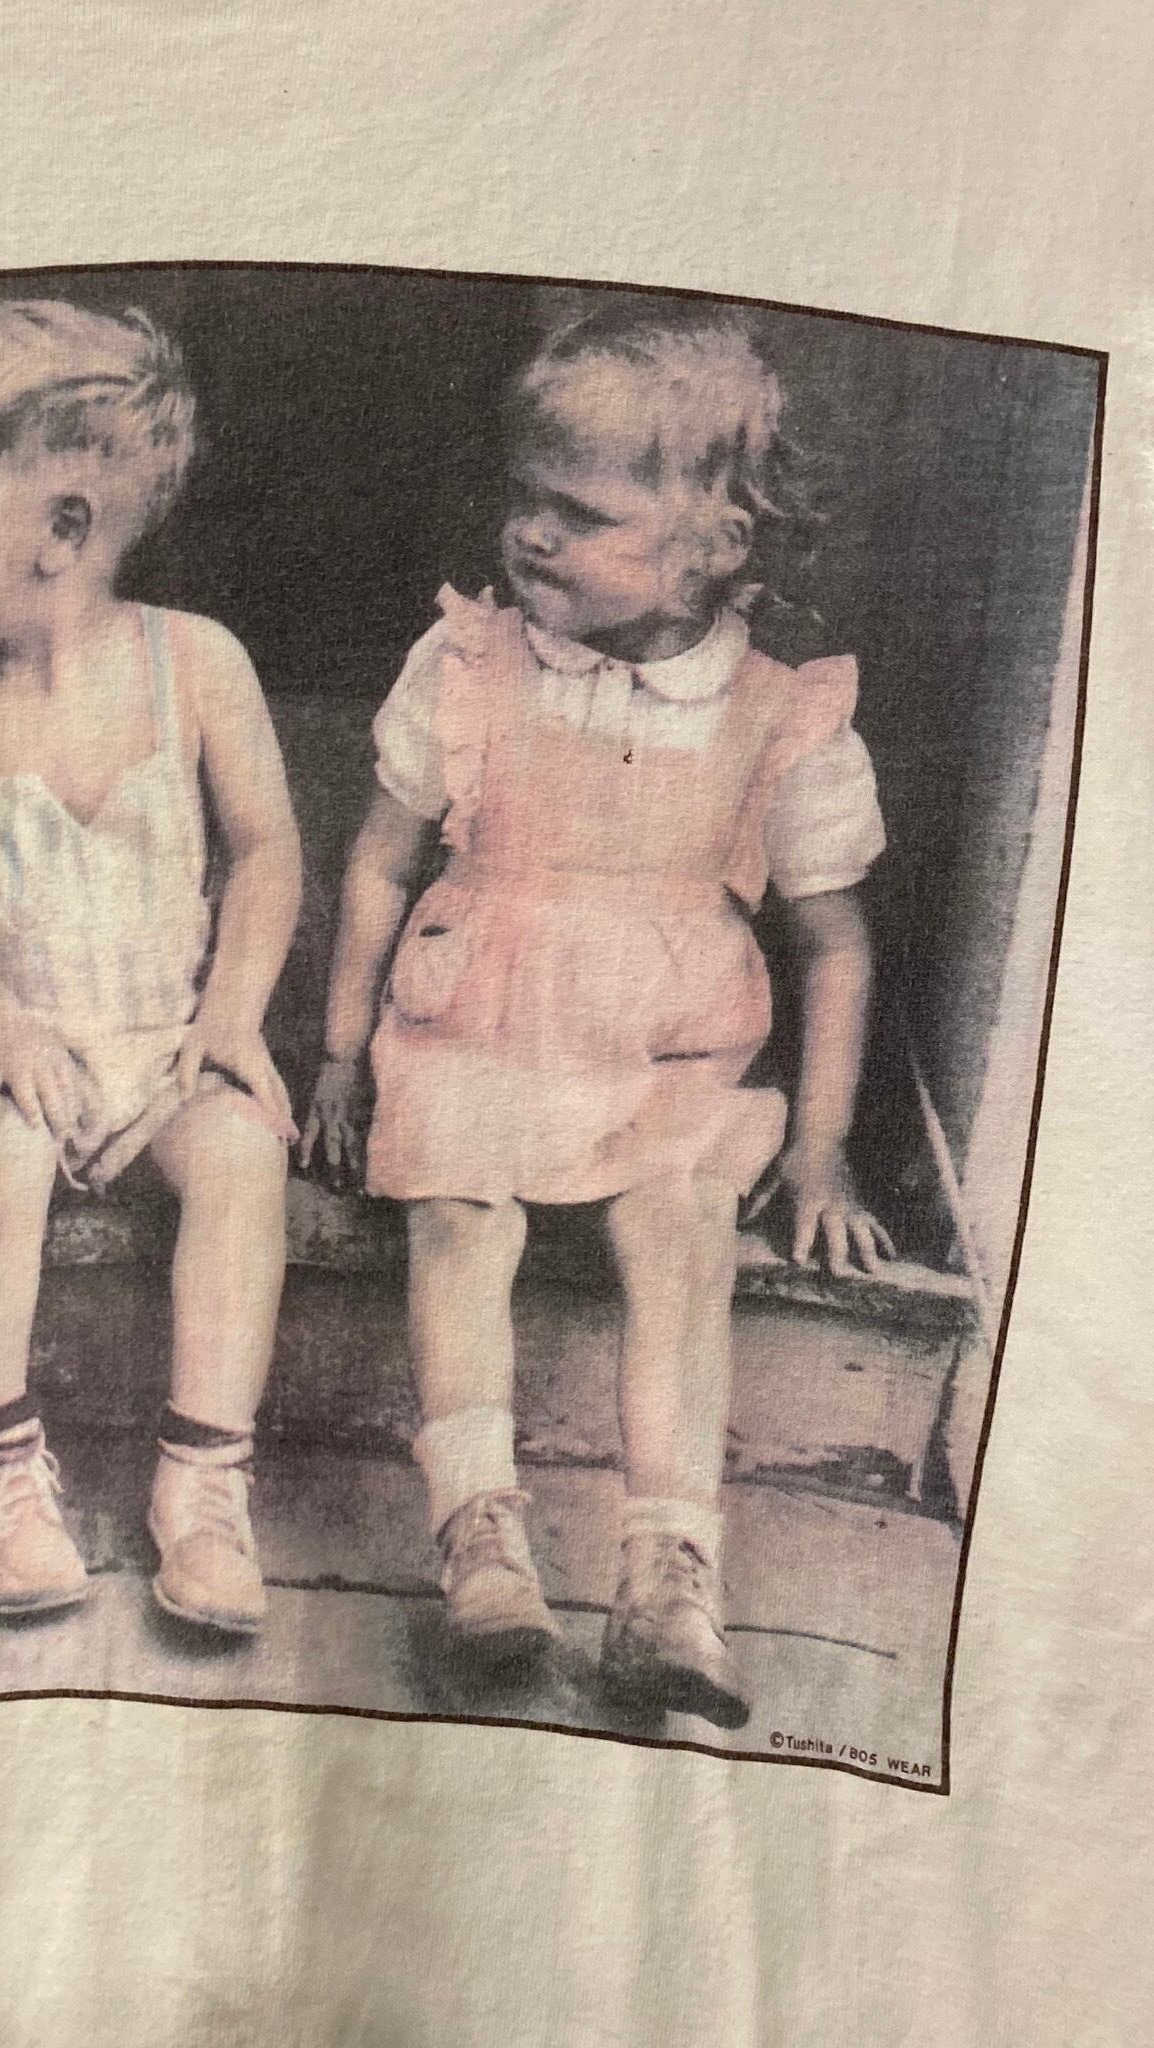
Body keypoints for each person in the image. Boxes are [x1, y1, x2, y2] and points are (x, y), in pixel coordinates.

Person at [303, 306, 892, 1728]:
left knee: (683, 1232)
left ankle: (670, 1573)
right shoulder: (469, 665)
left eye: (582, 513)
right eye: (526, 497)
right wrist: (337, 1052)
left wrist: (821, 1152)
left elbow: (834, 946)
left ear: (715, 545)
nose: (533, 534)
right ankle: (481, 1538)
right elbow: (380, 861)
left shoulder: (778, 717)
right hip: (478, 1029)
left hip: (661, 1060)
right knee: (457, 1216)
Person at [0, 300, 303, 1636]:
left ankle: (205, 1484)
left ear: (61, 529)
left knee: (242, 1157)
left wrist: (232, 1011)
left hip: (160, 1039)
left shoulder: (196, 665)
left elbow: (267, 848)